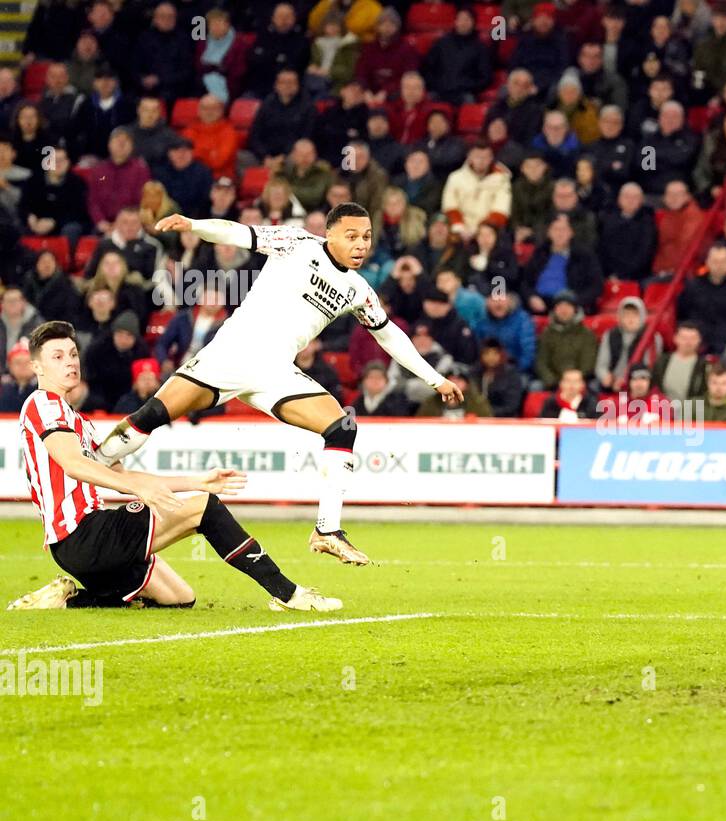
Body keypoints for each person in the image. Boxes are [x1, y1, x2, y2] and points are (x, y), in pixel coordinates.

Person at [94, 204, 464, 567]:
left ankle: (327, 531)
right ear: (329, 233)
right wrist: (193, 224)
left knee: (341, 427)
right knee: (150, 416)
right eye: (351, 236)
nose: (361, 244)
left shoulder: (359, 290)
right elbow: (238, 233)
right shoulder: (297, 242)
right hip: (229, 356)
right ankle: (87, 468)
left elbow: (390, 336)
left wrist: (436, 379)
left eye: (366, 237)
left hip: (275, 372)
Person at [8, 320, 340, 613]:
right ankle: (288, 594)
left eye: (73, 354)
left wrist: (197, 481)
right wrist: (140, 489)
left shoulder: (79, 420)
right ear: (37, 367)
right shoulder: (42, 404)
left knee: (179, 597)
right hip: (83, 535)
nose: (70, 362)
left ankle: (69, 600)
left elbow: (123, 475)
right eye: (58, 357)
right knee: (205, 510)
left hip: (84, 545)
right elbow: (72, 464)